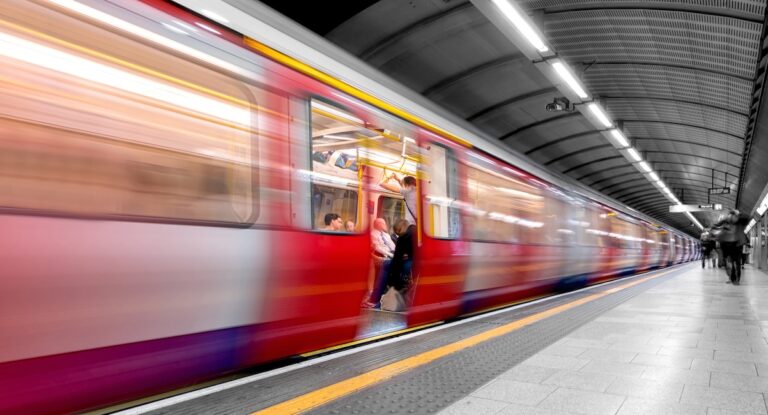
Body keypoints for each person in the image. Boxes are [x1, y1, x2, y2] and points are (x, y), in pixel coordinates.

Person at [711, 209, 751, 285]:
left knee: (737, 263)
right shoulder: (725, 222)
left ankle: (736, 280)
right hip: (727, 245)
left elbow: (747, 218)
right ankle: (733, 279)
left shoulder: (740, 222)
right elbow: (715, 226)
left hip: (737, 245)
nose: (732, 218)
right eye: (730, 216)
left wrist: (739, 214)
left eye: (733, 216)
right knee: (731, 263)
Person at [364, 218, 396, 308]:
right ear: (378, 224)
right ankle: (375, 296)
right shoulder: (372, 234)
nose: (385, 225)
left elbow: (392, 246)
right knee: (385, 264)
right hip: (382, 255)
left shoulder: (386, 235)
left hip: (390, 255)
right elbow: (377, 248)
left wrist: (396, 253)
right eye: (383, 223)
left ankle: (378, 296)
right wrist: (390, 255)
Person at [388, 219, 416, 291]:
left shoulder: (402, 238)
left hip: (412, 264)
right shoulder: (416, 230)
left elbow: (397, 260)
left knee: (387, 264)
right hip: (421, 261)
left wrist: (394, 283)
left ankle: (377, 295)